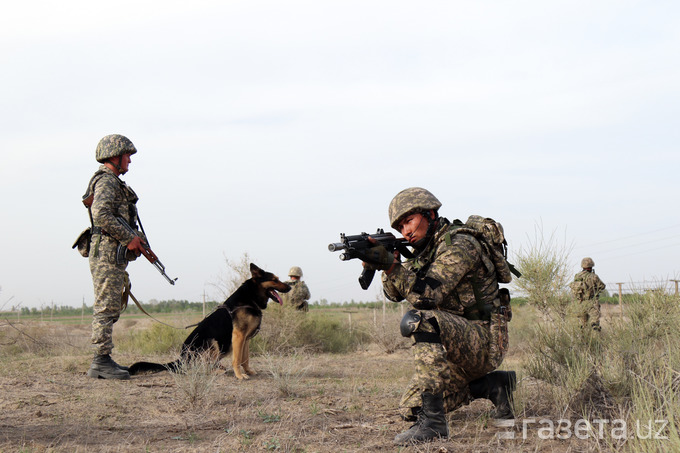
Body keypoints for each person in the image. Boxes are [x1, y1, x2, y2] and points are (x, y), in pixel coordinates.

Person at [360, 187, 516, 445]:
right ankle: (493, 386)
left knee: (421, 318)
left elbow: (427, 296)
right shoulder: (426, 250)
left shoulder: (460, 244)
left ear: (430, 214)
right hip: (454, 343)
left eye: (409, 221)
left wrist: (391, 265)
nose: (406, 232)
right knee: (410, 409)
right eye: (400, 227)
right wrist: (385, 265)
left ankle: (434, 425)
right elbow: (395, 294)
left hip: (482, 340)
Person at [83, 134, 147, 380]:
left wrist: (136, 237)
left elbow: (117, 216)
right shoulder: (107, 181)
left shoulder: (114, 182)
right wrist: (128, 238)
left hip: (112, 252)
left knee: (110, 305)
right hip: (107, 252)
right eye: (127, 155)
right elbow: (101, 215)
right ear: (115, 156)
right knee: (106, 305)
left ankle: (103, 359)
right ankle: (100, 361)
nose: (130, 160)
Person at [570, 257, 606, 331]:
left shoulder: (577, 276)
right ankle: (596, 340)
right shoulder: (594, 276)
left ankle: (583, 341)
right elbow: (602, 286)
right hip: (592, 303)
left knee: (582, 325)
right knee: (595, 324)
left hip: (580, 303)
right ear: (591, 266)